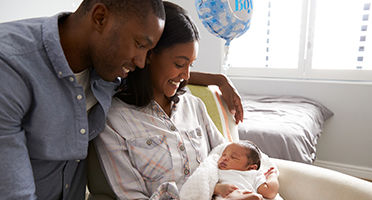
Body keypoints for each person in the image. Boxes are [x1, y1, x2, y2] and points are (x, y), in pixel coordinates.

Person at [0, 0, 244, 199]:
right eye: (139, 45)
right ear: (100, 18)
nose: (140, 62)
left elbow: (160, 71)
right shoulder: (10, 69)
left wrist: (218, 79)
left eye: (147, 52)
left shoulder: (109, 66)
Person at [92, 2, 261, 200]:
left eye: (191, 65)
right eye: (180, 64)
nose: (186, 75)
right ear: (148, 55)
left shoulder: (193, 105)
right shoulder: (114, 120)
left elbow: (226, 154)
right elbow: (131, 196)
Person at [214, 141, 280, 199]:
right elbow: (206, 186)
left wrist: (272, 175)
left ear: (250, 168)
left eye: (234, 157)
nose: (225, 158)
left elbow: (270, 192)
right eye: (223, 155)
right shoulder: (215, 171)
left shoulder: (253, 174)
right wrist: (218, 188)